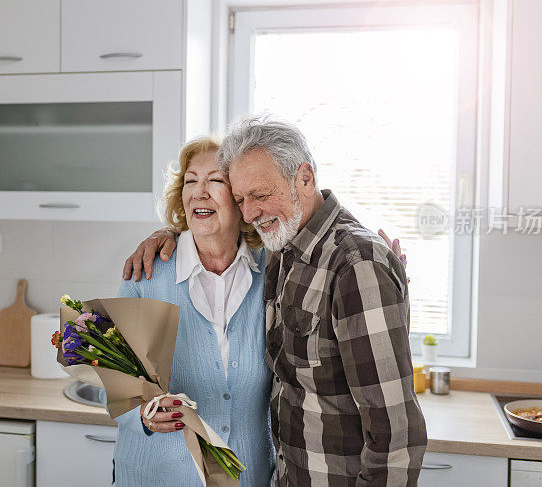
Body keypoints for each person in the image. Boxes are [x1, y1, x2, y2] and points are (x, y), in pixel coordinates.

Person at [124, 115, 427, 486]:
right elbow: (119, 389)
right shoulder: (281, 254)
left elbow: (395, 435)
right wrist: (168, 233)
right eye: (241, 198)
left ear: (305, 177)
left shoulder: (354, 263)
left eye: (261, 195)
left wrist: (381, 275)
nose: (251, 211)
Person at [106, 136, 275, 486]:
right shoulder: (148, 274)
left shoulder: (272, 274)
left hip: (248, 477)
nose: (199, 192)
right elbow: (111, 381)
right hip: (156, 477)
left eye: (215, 180)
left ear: (242, 199)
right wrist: (141, 413)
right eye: (190, 181)